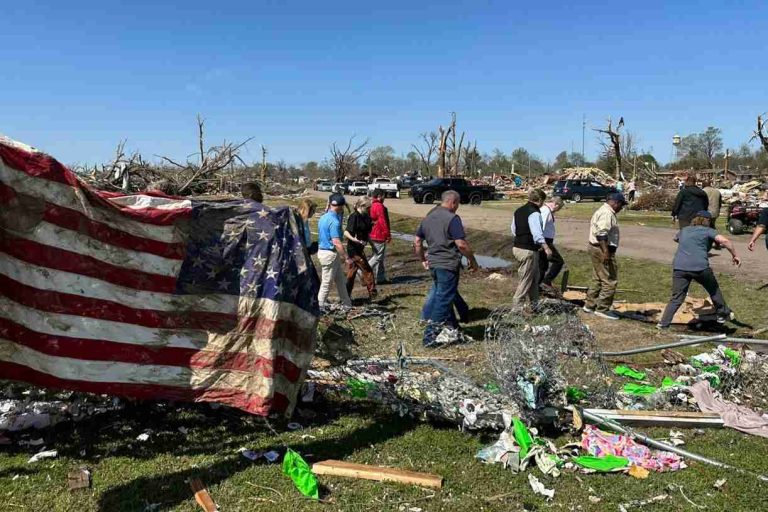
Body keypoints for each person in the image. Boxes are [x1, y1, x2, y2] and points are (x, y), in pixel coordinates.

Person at [414, 190, 478, 347]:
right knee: (443, 300)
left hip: (433, 264)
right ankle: (430, 337)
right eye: (457, 205)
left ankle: (453, 328)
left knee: (443, 295)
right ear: (453, 202)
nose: (457, 208)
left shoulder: (428, 218)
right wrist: (472, 260)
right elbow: (461, 244)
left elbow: (416, 241)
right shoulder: (452, 218)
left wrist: (422, 258)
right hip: (447, 264)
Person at [657, 211, 739, 329]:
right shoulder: (708, 231)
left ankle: (663, 324)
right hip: (700, 267)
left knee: (676, 297)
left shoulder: (684, 230)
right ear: (708, 221)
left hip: (679, 267)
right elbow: (725, 241)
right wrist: (735, 255)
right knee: (713, 289)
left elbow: (677, 239)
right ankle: (722, 314)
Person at [584, 193, 627, 320]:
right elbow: (601, 234)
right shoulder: (607, 213)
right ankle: (603, 309)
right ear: (615, 203)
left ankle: (589, 305)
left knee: (598, 277)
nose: (621, 208)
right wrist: (606, 252)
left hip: (596, 248)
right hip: (601, 249)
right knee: (610, 280)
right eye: (621, 205)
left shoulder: (603, 211)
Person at [510, 189, 551, 306]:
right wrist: (546, 247)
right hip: (528, 250)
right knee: (526, 279)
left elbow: (513, 229)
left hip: (517, 247)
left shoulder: (518, 211)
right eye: (543, 201)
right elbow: (537, 234)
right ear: (540, 200)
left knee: (534, 277)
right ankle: (516, 308)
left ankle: (535, 304)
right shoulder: (534, 213)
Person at [317, 194, 353, 308]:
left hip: (328, 253)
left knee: (340, 281)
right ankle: (319, 307)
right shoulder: (334, 221)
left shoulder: (323, 217)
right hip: (329, 254)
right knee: (326, 284)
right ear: (340, 206)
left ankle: (347, 304)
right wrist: (346, 257)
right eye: (342, 206)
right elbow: (337, 242)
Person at [344, 198, 377, 300]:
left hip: (360, 248)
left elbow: (366, 234)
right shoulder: (354, 217)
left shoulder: (366, 217)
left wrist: (372, 245)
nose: (369, 210)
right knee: (367, 270)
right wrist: (355, 240)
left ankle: (345, 296)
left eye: (369, 208)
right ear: (361, 206)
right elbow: (346, 232)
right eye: (367, 208)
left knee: (351, 273)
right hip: (353, 250)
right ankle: (373, 294)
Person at [538, 196, 565, 291]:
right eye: (559, 208)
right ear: (556, 205)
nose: (557, 211)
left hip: (545, 240)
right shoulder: (545, 211)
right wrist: (543, 245)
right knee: (558, 261)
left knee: (542, 266)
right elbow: (540, 227)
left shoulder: (546, 210)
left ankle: (538, 287)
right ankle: (546, 281)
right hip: (545, 241)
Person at [368, 189, 392, 284]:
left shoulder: (371, 205)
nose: (384, 198)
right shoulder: (379, 206)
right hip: (378, 234)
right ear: (379, 196)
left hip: (372, 234)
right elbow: (383, 221)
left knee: (380, 257)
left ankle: (380, 277)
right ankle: (362, 272)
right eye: (383, 196)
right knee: (377, 256)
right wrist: (387, 234)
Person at [702, 180, 722, 250]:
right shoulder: (717, 191)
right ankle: (717, 242)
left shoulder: (703, 191)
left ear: (703, 184)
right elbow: (720, 203)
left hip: (706, 212)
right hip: (715, 212)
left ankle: (706, 244)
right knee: (712, 226)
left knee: (705, 228)